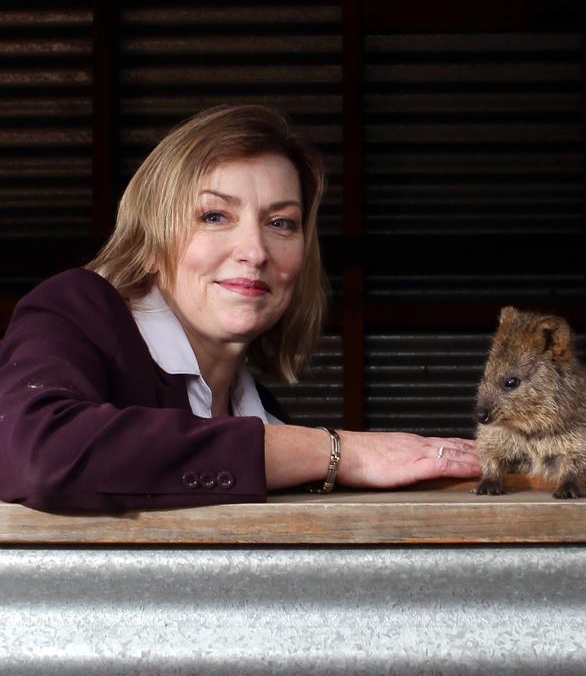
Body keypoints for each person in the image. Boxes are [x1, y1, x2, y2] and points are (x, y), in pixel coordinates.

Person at [0, 104, 480, 513]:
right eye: (214, 216)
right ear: (148, 243)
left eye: (281, 222)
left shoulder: (266, 414)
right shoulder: (75, 310)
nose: (255, 250)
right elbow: (36, 453)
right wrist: (339, 451)